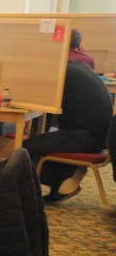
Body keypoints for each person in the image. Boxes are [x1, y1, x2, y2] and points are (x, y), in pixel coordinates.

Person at [27, 57, 113, 202]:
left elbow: (36, 102)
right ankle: (68, 171)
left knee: (19, 149)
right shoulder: (78, 68)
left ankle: (63, 177)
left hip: (82, 137)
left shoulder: (59, 74)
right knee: (36, 143)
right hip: (99, 138)